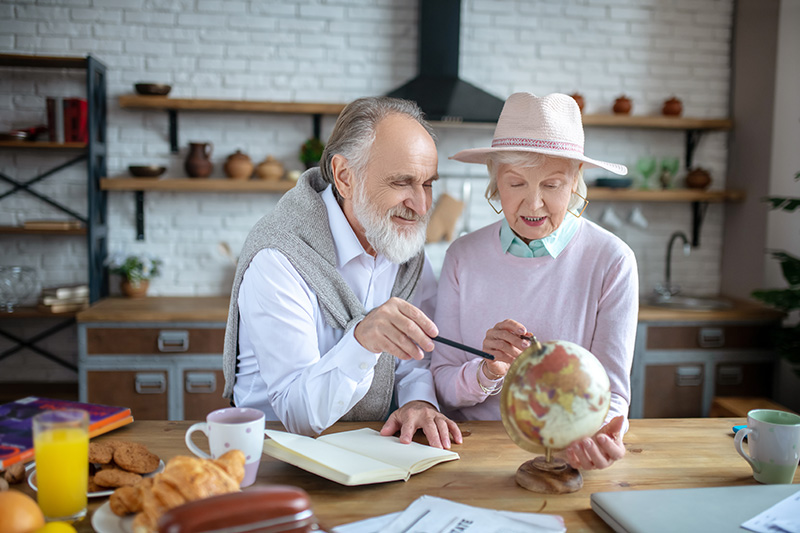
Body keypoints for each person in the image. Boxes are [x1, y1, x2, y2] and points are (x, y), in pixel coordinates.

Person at [222, 96, 462, 449]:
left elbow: (416, 358)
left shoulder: (404, 251)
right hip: (273, 454)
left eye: (427, 184)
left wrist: (418, 402)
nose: (422, 205)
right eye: (402, 182)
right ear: (345, 177)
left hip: (370, 451)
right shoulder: (278, 258)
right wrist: (363, 340)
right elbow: (298, 415)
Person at [431, 92, 638, 469]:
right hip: (471, 454)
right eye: (516, 184)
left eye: (552, 184)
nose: (533, 204)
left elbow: (612, 394)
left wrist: (599, 436)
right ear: (495, 181)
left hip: (566, 453)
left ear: (576, 181)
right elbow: (443, 384)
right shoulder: (462, 256)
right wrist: (488, 370)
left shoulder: (612, 260)